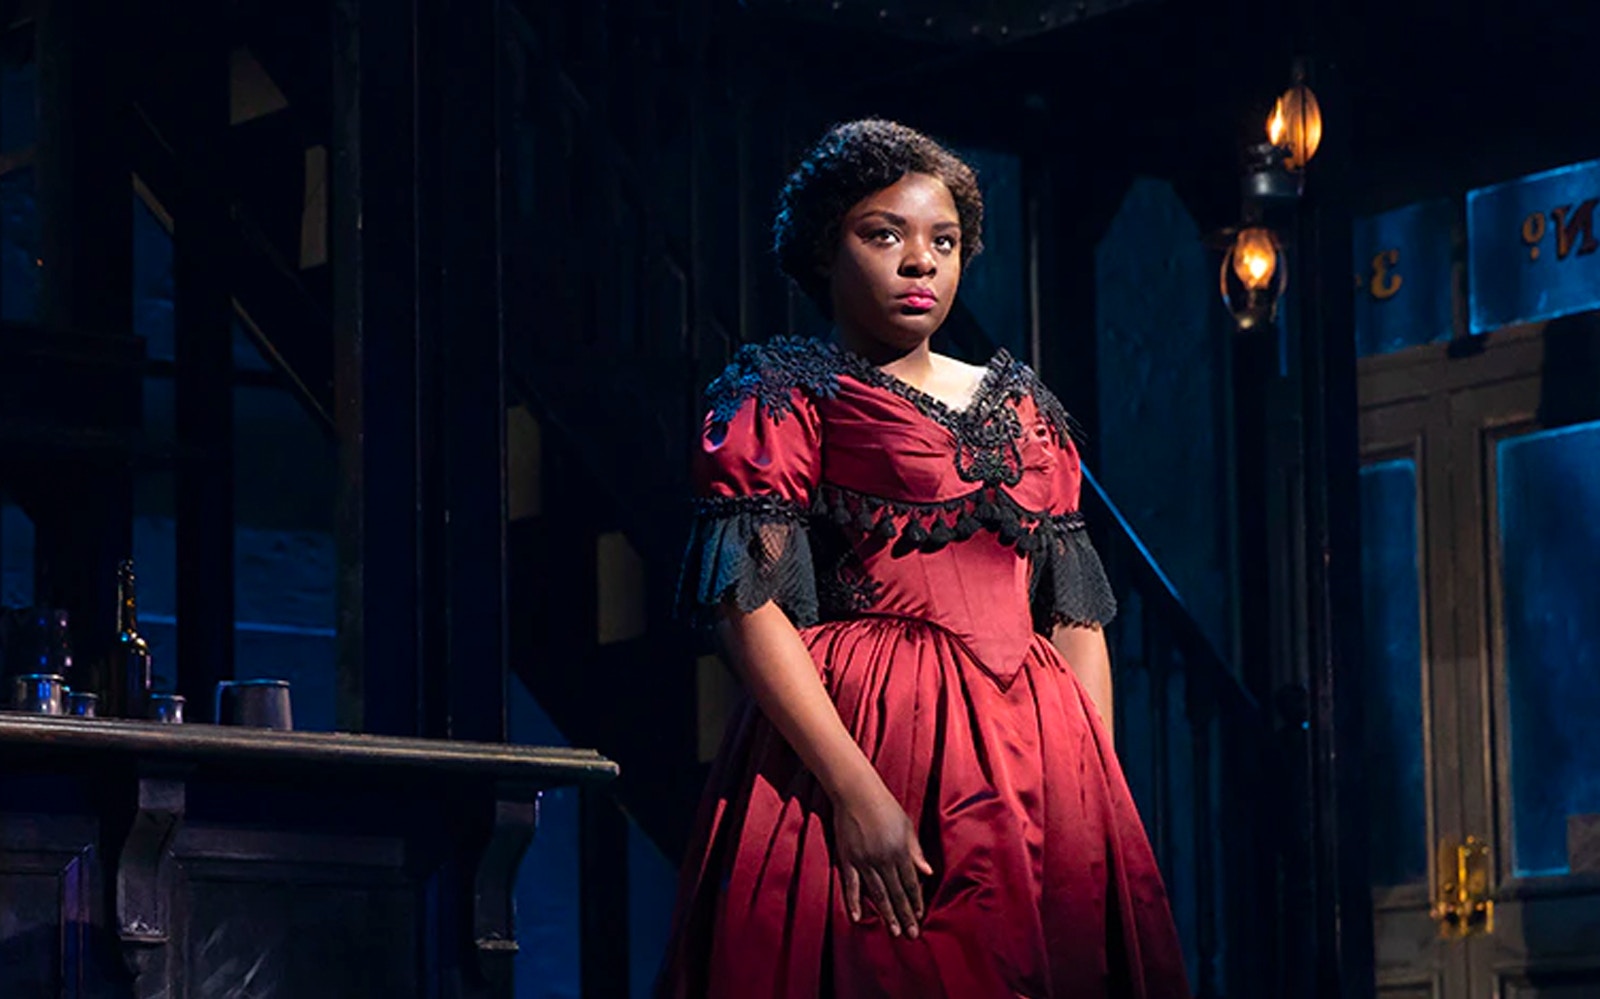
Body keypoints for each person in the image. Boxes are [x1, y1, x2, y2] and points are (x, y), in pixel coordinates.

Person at [657, 118, 1190, 998]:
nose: (920, 262)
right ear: (828, 250)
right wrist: (853, 789)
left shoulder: (1024, 409)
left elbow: (1075, 613)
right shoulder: (788, 393)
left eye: (942, 241)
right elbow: (746, 603)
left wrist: (1089, 781)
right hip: (880, 737)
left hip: (1040, 754)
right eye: (884, 235)